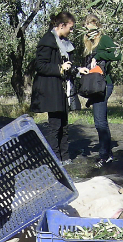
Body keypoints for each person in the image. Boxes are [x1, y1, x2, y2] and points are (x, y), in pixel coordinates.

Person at [30, 11, 89, 164]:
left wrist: (77, 70)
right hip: (51, 88)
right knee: (55, 125)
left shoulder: (64, 43)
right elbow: (40, 66)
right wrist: (59, 68)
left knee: (64, 124)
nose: (72, 31)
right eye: (70, 27)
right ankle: (55, 159)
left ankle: (65, 156)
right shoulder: (47, 41)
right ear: (62, 25)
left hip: (62, 87)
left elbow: (66, 65)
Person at [82, 13, 121, 166]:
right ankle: (108, 154)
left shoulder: (104, 40)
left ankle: (104, 155)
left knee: (99, 122)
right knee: (100, 121)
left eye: (91, 26)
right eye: (86, 27)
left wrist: (98, 55)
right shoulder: (88, 44)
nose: (88, 30)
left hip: (104, 84)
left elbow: (118, 55)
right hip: (94, 85)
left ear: (97, 27)